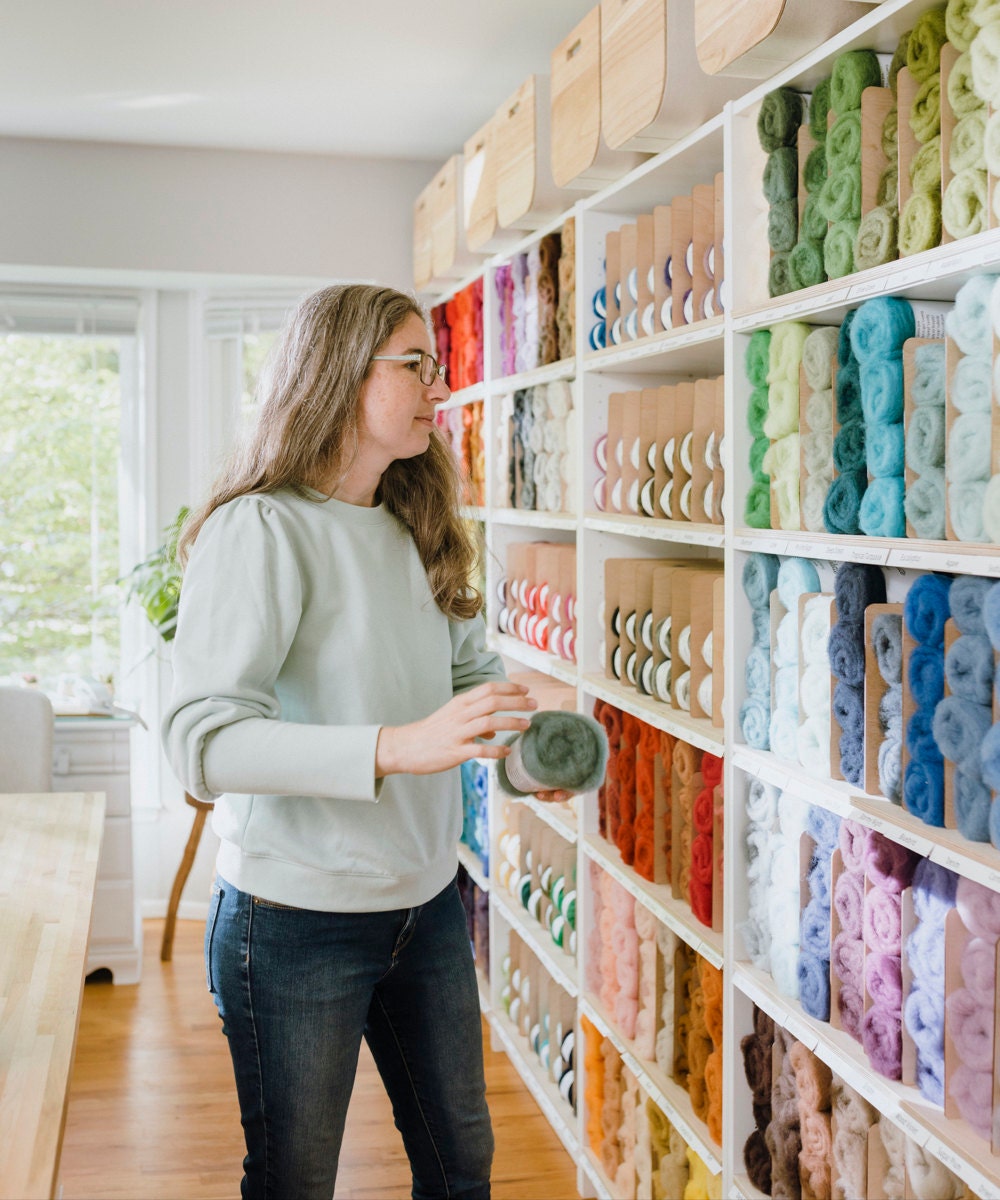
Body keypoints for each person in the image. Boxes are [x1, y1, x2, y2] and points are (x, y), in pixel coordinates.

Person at [161, 283, 569, 1200]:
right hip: (291, 924)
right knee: (297, 1181)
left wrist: (518, 742)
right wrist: (394, 747)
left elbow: (466, 682)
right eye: (415, 364)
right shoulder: (260, 528)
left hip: (424, 905)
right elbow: (202, 744)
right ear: (341, 374)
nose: (440, 385)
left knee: (462, 1169)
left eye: (438, 365)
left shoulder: (416, 523)